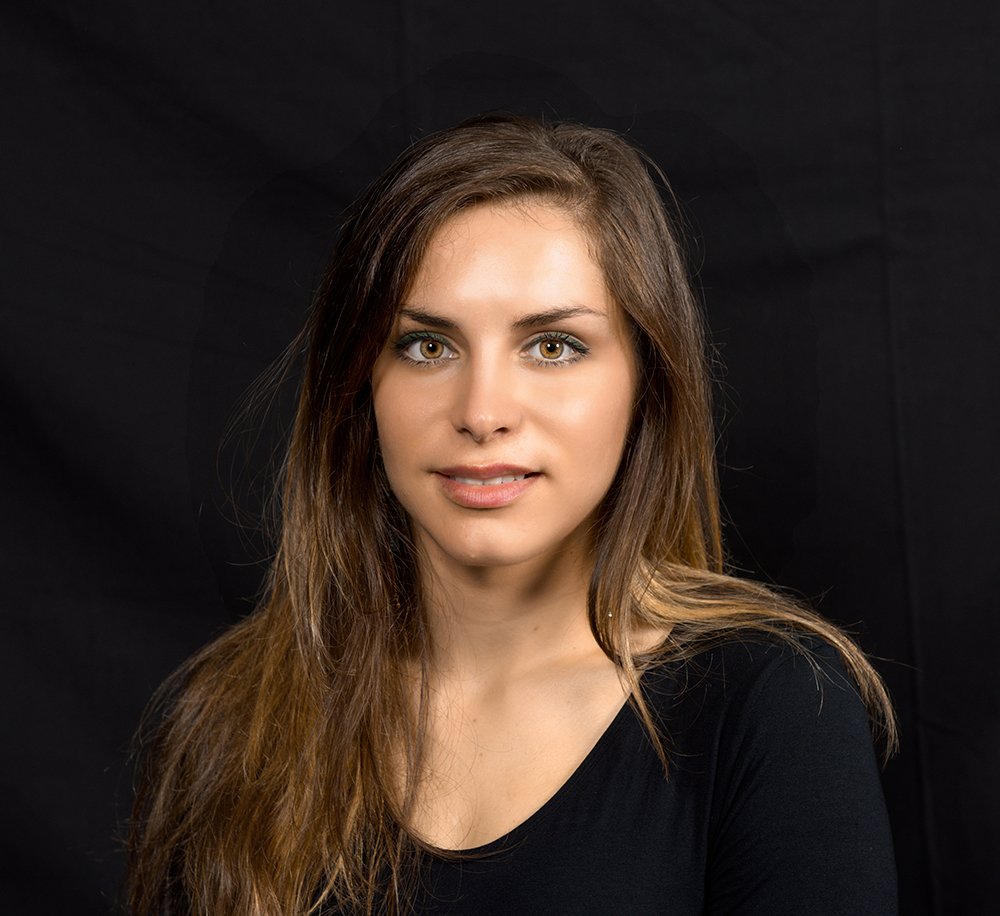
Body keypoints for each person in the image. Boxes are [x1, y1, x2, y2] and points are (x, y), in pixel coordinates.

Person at [126, 115, 898, 915]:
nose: (482, 412)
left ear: (647, 384)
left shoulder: (772, 710)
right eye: (428, 347)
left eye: (552, 346)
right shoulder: (225, 721)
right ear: (359, 389)